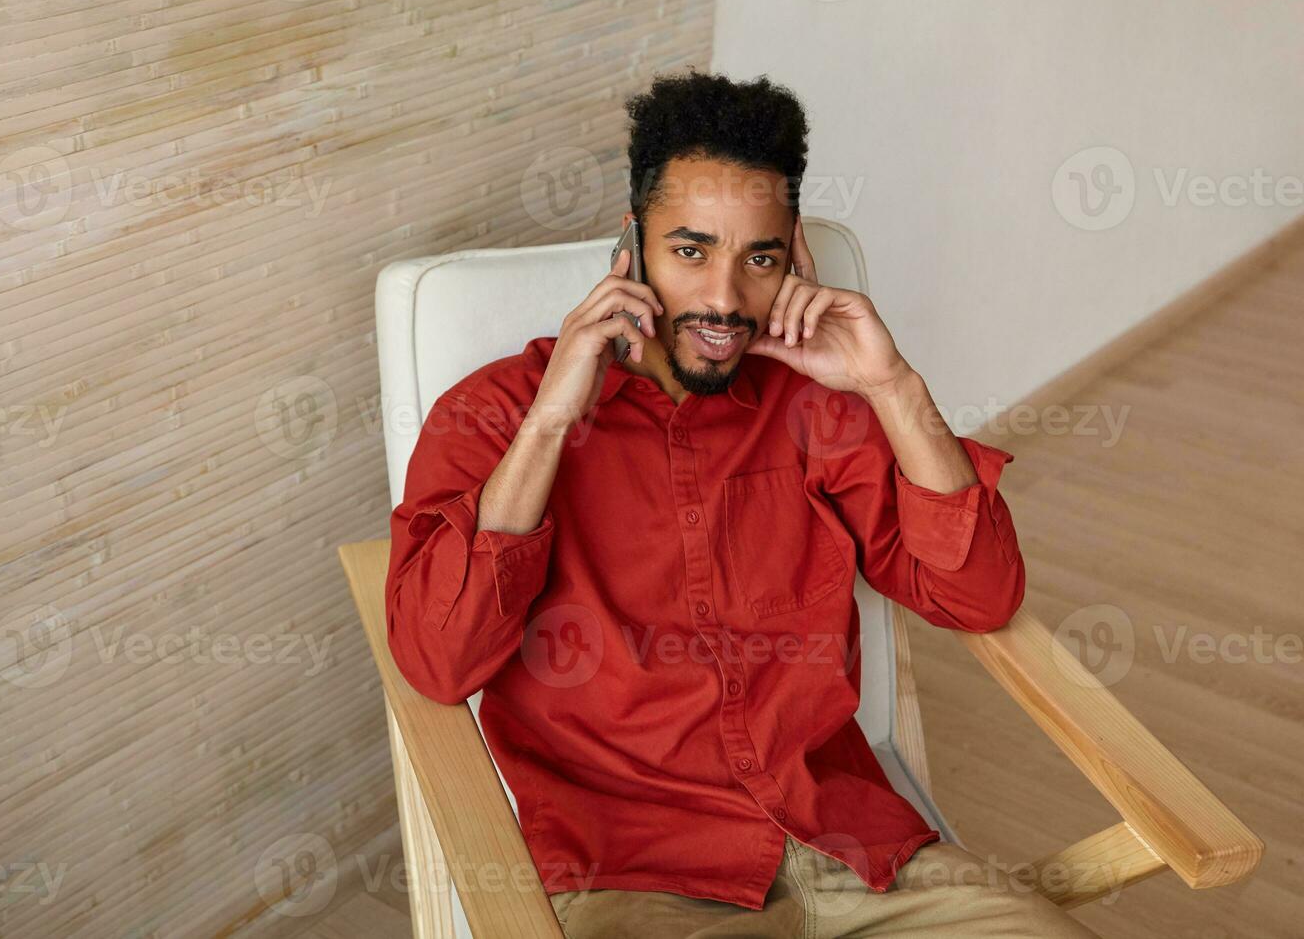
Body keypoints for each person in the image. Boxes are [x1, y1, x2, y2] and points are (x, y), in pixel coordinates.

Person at [385, 68, 1099, 938]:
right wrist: (552, 422)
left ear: (793, 254)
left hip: (853, 852)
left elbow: (979, 595)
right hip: (634, 876)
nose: (724, 300)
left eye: (757, 258)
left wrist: (891, 385)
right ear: (631, 244)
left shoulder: (818, 404)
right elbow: (436, 661)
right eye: (690, 251)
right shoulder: (497, 412)